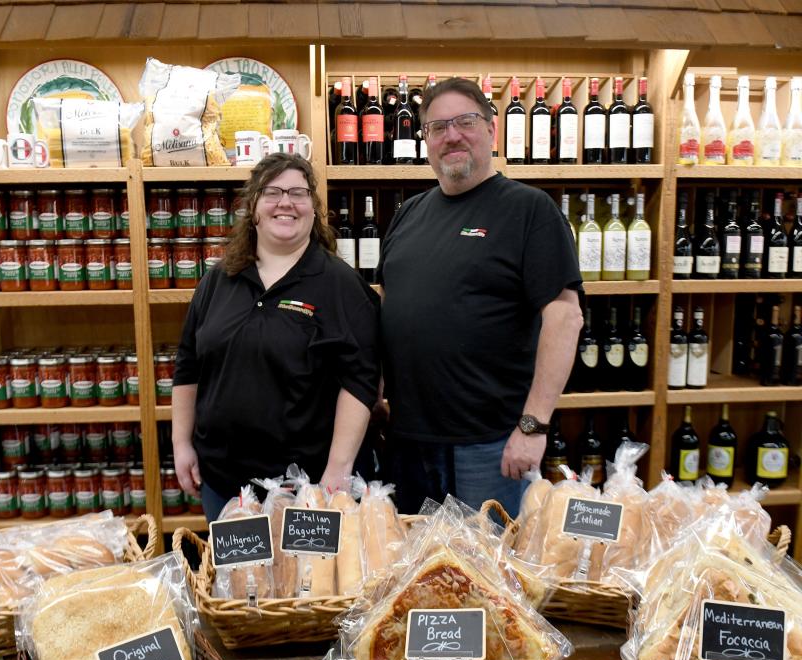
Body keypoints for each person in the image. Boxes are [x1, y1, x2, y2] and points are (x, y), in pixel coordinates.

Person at [379, 77, 583, 517]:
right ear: (426, 140)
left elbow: (565, 318)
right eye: (438, 127)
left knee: (490, 577)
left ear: (491, 129)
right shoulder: (408, 214)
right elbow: (387, 312)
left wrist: (533, 426)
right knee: (423, 578)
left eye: (465, 122)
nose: (452, 135)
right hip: (410, 442)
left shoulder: (530, 210)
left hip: (490, 445)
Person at [172, 153, 380, 521]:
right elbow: (188, 365)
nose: (286, 202)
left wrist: (338, 471)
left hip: (307, 490)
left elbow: (361, 381)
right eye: (273, 192)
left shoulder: (341, 286)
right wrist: (181, 443)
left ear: (314, 210)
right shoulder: (220, 279)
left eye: (298, 193)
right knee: (236, 579)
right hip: (223, 485)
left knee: (303, 581)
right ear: (253, 207)